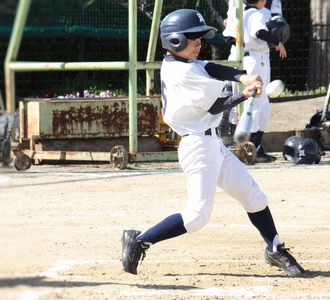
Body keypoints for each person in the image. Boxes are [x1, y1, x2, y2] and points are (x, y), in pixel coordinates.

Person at [121, 8, 305, 277]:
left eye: (200, 37)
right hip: (198, 147)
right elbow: (216, 106)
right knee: (197, 215)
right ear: (175, 41)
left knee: (253, 196)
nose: (198, 42)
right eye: (193, 37)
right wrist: (244, 94)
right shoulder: (181, 73)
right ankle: (139, 240)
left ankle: (275, 248)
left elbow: (209, 66)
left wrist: (242, 76)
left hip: (212, 144)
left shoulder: (184, 64)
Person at [224, 0, 286, 163]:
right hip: (254, 60)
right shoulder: (258, 13)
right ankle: (251, 148)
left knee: (249, 101)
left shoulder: (239, 13)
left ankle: (245, 146)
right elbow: (259, 32)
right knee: (256, 102)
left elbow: (228, 38)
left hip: (250, 58)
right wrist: (277, 42)